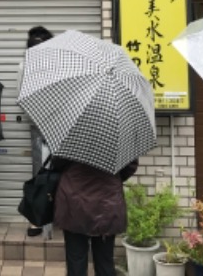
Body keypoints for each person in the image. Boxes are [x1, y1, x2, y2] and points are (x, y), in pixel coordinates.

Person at [52, 157, 139, 276]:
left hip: (74, 203)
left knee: (76, 261)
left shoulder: (70, 139)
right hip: (107, 204)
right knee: (105, 262)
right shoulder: (118, 140)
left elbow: (57, 164)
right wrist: (113, 177)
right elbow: (130, 166)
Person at [17, 25, 54, 237]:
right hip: (38, 126)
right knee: (40, 173)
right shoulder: (24, 67)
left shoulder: (61, 65)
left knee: (61, 173)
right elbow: (20, 97)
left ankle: (59, 215)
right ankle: (37, 219)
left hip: (62, 125)